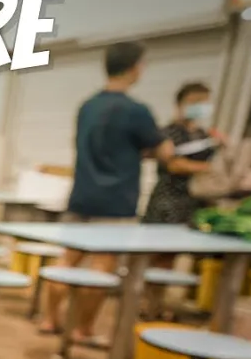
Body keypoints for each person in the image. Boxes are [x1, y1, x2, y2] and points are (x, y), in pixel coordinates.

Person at [40, 42, 175, 343]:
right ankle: (83, 328)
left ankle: (50, 319)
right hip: (115, 202)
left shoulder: (88, 106)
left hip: (82, 195)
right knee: (102, 267)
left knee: (66, 261)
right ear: (135, 67)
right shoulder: (136, 111)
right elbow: (166, 152)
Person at [139, 82, 219, 316]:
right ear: (180, 103)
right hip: (168, 200)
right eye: (195, 102)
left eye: (204, 101)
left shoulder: (204, 135)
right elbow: (173, 164)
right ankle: (148, 304)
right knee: (158, 257)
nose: (200, 107)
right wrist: (208, 168)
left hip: (192, 202)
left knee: (174, 256)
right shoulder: (168, 133)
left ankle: (160, 304)